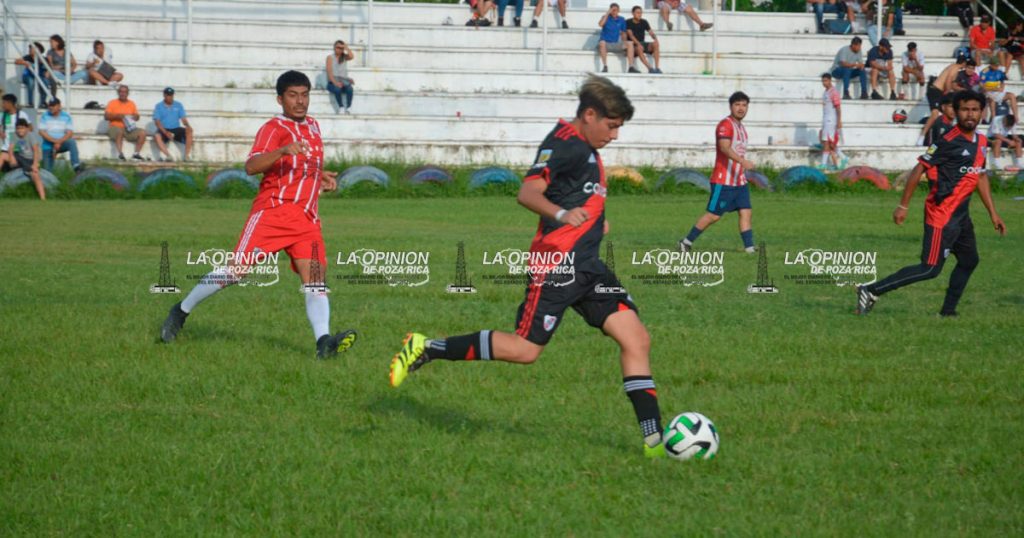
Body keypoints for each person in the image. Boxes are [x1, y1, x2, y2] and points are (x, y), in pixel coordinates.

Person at [388, 75, 670, 459]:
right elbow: (528, 192)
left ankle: (654, 443)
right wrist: (562, 214)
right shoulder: (564, 145)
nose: (615, 136)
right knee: (525, 350)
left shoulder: (584, 146)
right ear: (590, 114)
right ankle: (427, 347)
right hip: (557, 265)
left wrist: (593, 221)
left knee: (636, 339)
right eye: (612, 126)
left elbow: (578, 194)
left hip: (588, 267)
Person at [161, 70, 358, 359]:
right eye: (293, 95)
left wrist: (320, 177)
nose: (300, 101)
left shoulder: (314, 126)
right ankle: (180, 311)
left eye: (304, 95)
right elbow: (251, 166)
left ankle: (323, 342)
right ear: (280, 99)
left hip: (306, 219)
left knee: (315, 281)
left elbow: (304, 167)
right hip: (273, 214)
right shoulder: (273, 128)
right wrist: (282, 151)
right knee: (235, 272)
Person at [856, 90, 1006, 317]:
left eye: (975, 110)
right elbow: (919, 170)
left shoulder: (982, 141)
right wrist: (903, 205)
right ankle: (870, 290)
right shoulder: (947, 141)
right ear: (956, 112)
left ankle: (948, 311)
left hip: (961, 217)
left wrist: (993, 214)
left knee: (969, 260)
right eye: (965, 109)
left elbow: (980, 176)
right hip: (942, 216)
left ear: (982, 112)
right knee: (929, 268)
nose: (970, 114)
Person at [679, 92, 756, 254]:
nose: (741, 108)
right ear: (730, 106)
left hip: (739, 180)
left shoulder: (741, 128)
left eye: (744, 105)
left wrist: (743, 168)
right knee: (714, 215)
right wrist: (743, 162)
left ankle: (749, 249)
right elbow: (724, 148)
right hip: (723, 180)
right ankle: (686, 242)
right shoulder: (725, 125)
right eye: (737, 105)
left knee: (746, 211)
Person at [917, 53, 968, 145]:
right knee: (935, 114)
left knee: (950, 110)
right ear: (964, 63)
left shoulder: (952, 66)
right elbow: (949, 81)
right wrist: (948, 91)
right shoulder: (956, 68)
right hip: (935, 91)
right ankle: (922, 136)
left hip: (938, 91)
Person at [37, 98, 82, 172]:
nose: (51, 107)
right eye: (50, 105)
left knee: (71, 142)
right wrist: (55, 141)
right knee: (47, 172)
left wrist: (59, 142)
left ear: (59, 106)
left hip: (62, 144)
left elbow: (70, 133)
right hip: (48, 145)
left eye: (53, 105)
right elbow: (41, 132)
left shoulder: (66, 116)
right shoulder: (45, 115)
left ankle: (76, 166)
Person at [6, 119, 46, 200]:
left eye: (22, 128)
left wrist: (35, 164)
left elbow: (36, 151)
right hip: (21, 157)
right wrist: (11, 158)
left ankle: (43, 198)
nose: (20, 130)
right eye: (18, 128)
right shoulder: (14, 135)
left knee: (35, 175)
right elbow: (10, 149)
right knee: (3, 155)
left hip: (31, 159)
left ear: (27, 128)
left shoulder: (31, 136)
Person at [104, 85, 147, 161]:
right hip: (115, 127)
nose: (123, 94)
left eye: (125, 92)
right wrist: (116, 116)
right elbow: (106, 116)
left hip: (129, 128)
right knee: (119, 132)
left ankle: (136, 154)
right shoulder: (112, 103)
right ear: (118, 93)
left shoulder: (131, 103)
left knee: (142, 132)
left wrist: (136, 117)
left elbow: (137, 116)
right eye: (121, 92)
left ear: (128, 93)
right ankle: (120, 155)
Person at [152, 87, 194, 162]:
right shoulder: (158, 106)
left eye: (171, 95)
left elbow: (183, 119)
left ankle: (186, 156)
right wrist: (165, 132)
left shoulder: (178, 105)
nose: (170, 97)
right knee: (156, 135)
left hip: (175, 128)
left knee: (189, 131)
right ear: (164, 95)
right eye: (168, 95)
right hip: (164, 129)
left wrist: (188, 126)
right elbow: (157, 122)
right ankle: (168, 156)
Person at [598, 4, 638, 74]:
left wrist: (624, 44)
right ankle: (605, 66)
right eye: (612, 10)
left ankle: (631, 67)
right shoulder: (605, 17)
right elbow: (601, 24)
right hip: (606, 44)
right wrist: (607, 13)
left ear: (618, 11)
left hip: (616, 43)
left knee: (630, 43)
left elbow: (623, 33)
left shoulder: (621, 19)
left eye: (616, 10)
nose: (614, 12)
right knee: (602, 42)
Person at [819, 73, 845, 170]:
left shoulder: (833, 92)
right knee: (829, 143)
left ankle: (823, 164)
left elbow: (838, 107)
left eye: (825, 80)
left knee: (826, 142)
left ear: (830, 80)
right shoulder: (826, 92)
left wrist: (839, 121)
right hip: (826, 119)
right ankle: (843, 157)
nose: (823, 83)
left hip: (831, 120)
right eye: (822, 81)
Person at [980, 56, 1018, 124]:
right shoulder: (984, 72)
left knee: (1012, 96)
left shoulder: (999, 72)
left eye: (998, 65)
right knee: (992, 100)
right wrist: (995, 89)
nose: (997, 67)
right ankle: (994, 120)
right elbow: (982, 87)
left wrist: (998, 89)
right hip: (988, 93)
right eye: (995, 65)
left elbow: (1002, 86)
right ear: (991, 64)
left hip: (997, 92)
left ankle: (1016, 117)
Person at [626, 6, 662, 74]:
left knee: (655, 44)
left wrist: (655, 39)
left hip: (643, 43)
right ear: (633, 13)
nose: (639, 14)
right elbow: (631, 36)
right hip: (633, 45)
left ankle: (657, 68)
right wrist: (638, 44)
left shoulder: (644, 21)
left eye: (641, 13)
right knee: (639, 48)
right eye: (638, 13)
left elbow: (651, 32)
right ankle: (650, 68)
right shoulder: (628, 22)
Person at [14, 42, 50, 108]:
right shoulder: (28, 57)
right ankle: (30, 103)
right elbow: (16, 61)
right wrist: (24, 62)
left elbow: (48, 69)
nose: (30, 50)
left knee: (45, 82)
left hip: (40, 76)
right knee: (31, 82)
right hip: (28, 75)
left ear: (38, 50)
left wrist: (47, 72)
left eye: (32, 48)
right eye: (30, 48)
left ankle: (43, 102)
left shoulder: (44, 59)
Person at [325, 40, 355, 114]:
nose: (339, 49)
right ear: (334, 48)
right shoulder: (330, 57)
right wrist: (336, 83)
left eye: (341, 48)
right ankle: (341, 106)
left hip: (343, 81)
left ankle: (348, 107)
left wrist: (346, 47)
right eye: (338, 47)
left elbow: (351, 56)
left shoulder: (344, 57)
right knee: (337, 89)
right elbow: (329, 73)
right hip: (332, 82)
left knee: (350, 88)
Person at [1, 94, 31, 161]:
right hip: (6, 148)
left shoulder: (22, 114)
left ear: (10, 103)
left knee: (17, 169)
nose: (2, 105)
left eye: (4, 103)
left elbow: (30, 128)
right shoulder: (3, 115)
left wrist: (22, 132)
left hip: (19, 148)